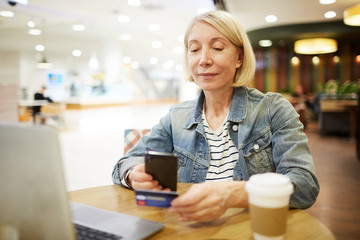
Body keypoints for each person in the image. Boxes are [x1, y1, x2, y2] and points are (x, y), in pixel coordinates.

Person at [112, 10, 319, 222]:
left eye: (217, 47)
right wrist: (132, 175)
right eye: (194, 49)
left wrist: (235, 194)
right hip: (189, 230)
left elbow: (304, 186)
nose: (203, 60)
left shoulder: (273, 109)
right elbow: (125, 163)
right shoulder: (177, 117)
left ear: (239, 57)